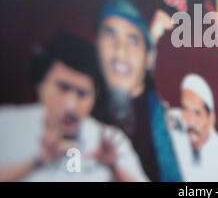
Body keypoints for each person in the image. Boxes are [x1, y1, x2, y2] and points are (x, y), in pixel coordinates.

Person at [0, 31, 147, 182]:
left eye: (82, 94)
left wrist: (114, 167)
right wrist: (36, 161)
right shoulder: (6, 126)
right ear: (41, 84)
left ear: (94, 97)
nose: (71, 105)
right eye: (63, 88)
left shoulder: (111, 141)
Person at [95, 0, 181, 181]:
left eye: (133, 40)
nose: (120, 51)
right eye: (110, 35)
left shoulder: (166, 123)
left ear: (149, 57)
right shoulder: (83, 105)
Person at [167, 73, 218, 182]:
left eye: (197, 113)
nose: (190, 121)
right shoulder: (171, 121)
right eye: (185, 109)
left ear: (211, 119)